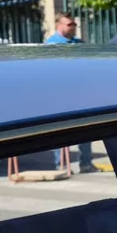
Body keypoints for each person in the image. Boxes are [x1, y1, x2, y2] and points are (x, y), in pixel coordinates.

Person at [43, 15, 97, 172]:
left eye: (74, 24)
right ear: (59, 25)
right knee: (62, 129)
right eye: (69, 24)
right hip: (60, 93)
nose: (73, 27)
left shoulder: (79, 44)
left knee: (86, 129)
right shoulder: (52, 45)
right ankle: (61, 164)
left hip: (81, 93)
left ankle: (86, 163)